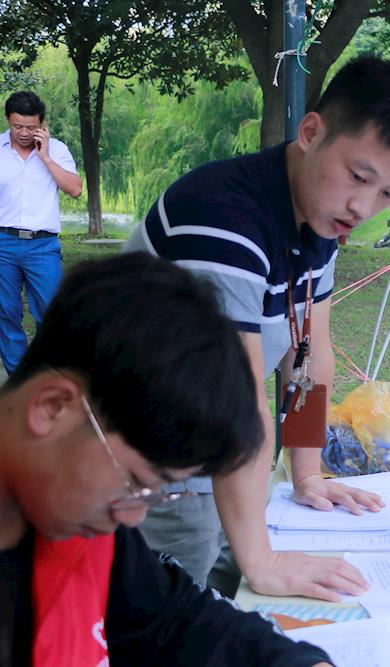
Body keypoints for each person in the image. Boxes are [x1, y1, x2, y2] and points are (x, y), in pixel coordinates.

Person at [123, 55, 390, 600]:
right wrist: (262, 561)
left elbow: (310, 358)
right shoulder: (222, 218)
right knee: (174, 612)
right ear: (311, 132)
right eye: (358, 176)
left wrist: (308, 473)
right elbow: (238, 399)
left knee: (242, 596)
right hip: (144, 468)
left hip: (210, 455)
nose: (363, 206)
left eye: (388, 194)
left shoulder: (317, 218)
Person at [0, 252, 332, 666]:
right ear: (52, 407)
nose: (133, 517)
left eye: (155, 493)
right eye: (136, 482)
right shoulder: (70, 508)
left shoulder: (72, 516)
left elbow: (171, 619)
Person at [0, 91, 82, 374]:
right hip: (3, 244)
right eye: (17, 126)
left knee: (51, 314)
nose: (24, 133)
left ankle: (49, 377)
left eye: (30, 127)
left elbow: (75, 189)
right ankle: (19, 381)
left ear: (42, 124)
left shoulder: (57, 149)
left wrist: (44, 156)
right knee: (6, 313)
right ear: (8, 120)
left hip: (42, 246)